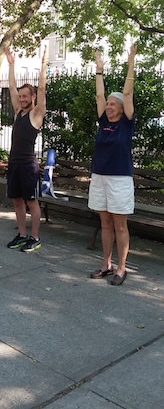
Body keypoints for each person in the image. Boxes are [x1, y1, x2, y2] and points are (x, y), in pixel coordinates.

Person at [89, 44, 136, 286]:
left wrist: (131, 65)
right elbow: (98, 95)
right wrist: (99, 70)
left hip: (119, 179)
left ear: (120, 107)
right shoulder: (102, 122)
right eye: (107, 104)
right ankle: (106, 264)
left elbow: (127, 94)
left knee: (119, 225)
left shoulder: (126, 123)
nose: (108, 106)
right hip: (99, 177)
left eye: (112, 104)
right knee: (105, 223)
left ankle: (121, 268)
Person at [5, 46, 47, 252]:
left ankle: (35, 238)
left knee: (31, 202)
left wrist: (43, 64)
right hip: (14, 163)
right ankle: (22, 235)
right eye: (20, 96)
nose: (21, 99)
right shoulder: (18, 112)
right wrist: (11, 65)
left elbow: (41, 89)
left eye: (25, 96)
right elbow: (11, 88)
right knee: (17, 201)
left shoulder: (36, 114)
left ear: (32, 98)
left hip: (28, 165)